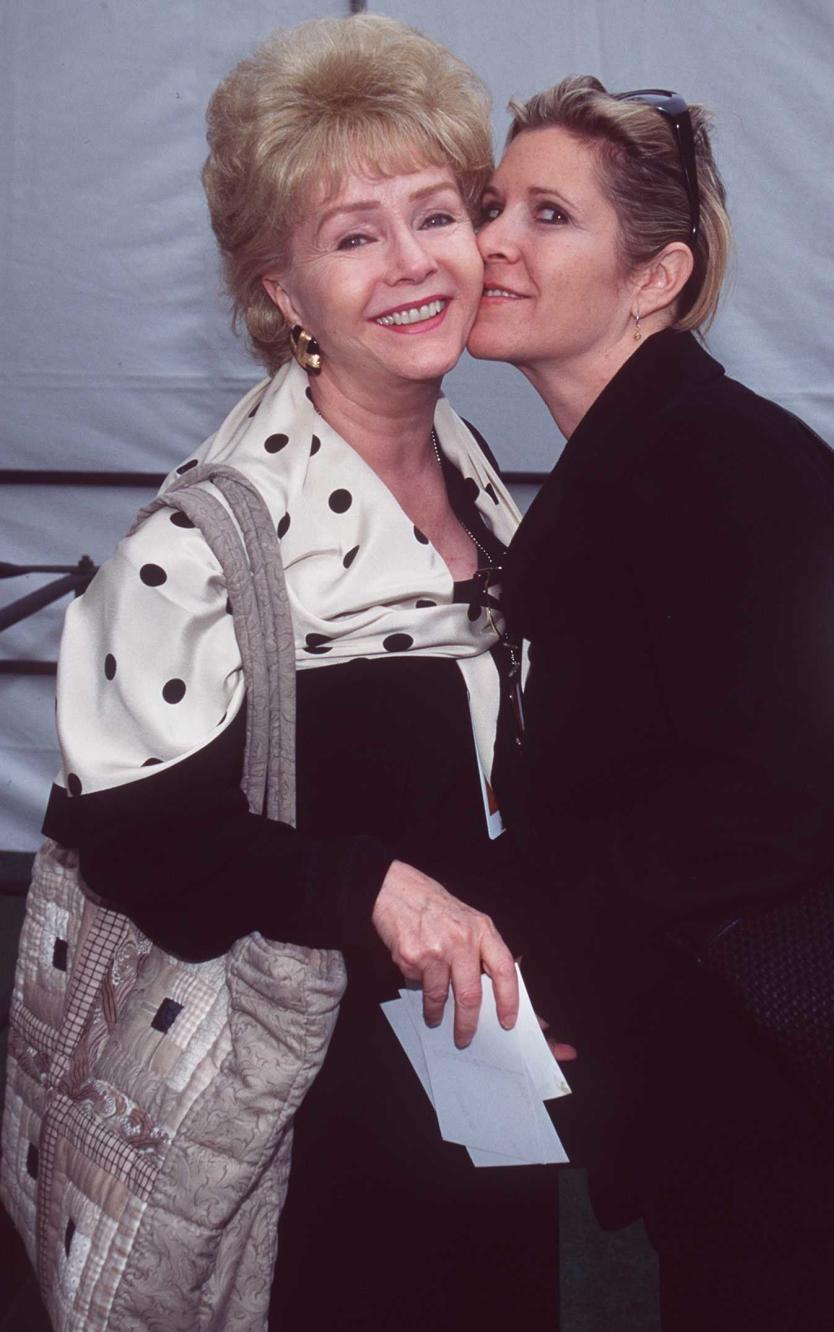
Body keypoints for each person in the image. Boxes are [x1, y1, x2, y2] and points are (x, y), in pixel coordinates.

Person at [42, 17, 559, 1330]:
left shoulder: (477, 476)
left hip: (475, 1075)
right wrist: (366, 885)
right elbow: (139, 841)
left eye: (433, 215)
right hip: (305, 1128)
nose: (411, 266)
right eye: (352, 235)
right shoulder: (211, 539)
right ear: (285, 294)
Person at [468, 76, 834, 1330]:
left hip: (798, 1108)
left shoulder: (705, 460)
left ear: (656, 277)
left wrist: (541, 935)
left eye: (548, 216)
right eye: (491, 206)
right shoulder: (648, 451)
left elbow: (779, 805)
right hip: (760, 1093)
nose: (493, 244)